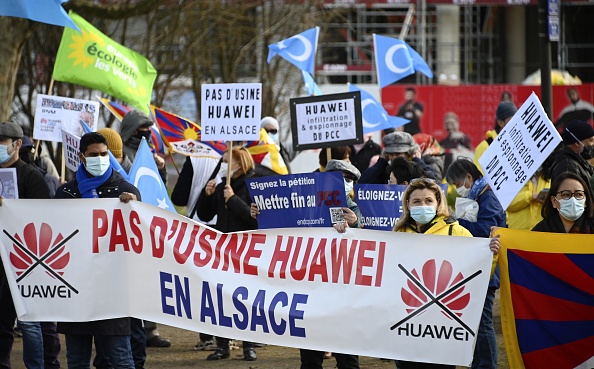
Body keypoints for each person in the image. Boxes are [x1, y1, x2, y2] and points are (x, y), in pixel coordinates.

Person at [392, 177, 500, 369]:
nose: (422, 205)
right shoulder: (398, 233)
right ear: (407, 204)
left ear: (438, 203)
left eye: (428, 201)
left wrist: (490, 254)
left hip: (441, 325)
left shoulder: (456, 233)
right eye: (416, 201)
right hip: (407, 322)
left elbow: (478, 273)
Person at [54, 132, 139, 369]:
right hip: (77, 288)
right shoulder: (66, 193)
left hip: (113, 290)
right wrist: (8, 207)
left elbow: (142, 233)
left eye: (104, 154)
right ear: (81, 156)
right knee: (77, 360)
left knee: (120, 358)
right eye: (94, 155)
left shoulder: (125, 190)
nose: (100, 159)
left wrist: (134, 204)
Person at [196, 147, 258, 362]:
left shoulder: (253, 186)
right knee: (220, 298)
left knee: (246, 299)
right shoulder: (222, 185)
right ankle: (222, 345)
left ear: (240, 165)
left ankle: (248, 345)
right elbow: (204, 214)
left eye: (226, 161)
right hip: (222, 249)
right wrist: (207, 195)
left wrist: (232, 200)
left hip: (245, 249)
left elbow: (254, 220)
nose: (222, 166)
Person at [0, 122, 52, 369]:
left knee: (30, 322)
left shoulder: (32, 176)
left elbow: (43, 218)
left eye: (2, 142)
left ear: (17, 144)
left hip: (24, 261)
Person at [445, 158, 505, 369]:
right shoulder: (478, 195)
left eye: (457, 183)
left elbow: (488, 231)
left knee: (484, 323)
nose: (456, 188)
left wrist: (457, 223)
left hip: (487, 270)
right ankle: (479, 363)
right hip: (475, 268)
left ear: (469, 178)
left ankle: (487, 365)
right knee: (476, 322)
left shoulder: (488, 197)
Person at [119, 111, 171, 348]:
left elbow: (156, 187)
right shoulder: (121, 156)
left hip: (148, 225)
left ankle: (150, 330)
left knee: (150, 278)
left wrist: (160, 168)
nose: (146, 134)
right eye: (142, 129)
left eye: (148, 129)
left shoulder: (147, 154)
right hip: (126, 227)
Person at [359, 132, 440, 184]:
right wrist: (382, 162)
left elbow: (435, 181)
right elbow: (363, 182)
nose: (394, 157)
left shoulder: (416, 169)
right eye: (391, 154)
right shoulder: (384, 170)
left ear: (409, 154)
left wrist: (418, 161)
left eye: (398, 154)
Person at [543, 120, 594, 196]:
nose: (593, 144)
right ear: (577, 143)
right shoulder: (568, 166)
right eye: (591, 140)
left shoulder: (577, 162)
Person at [474, 101, 517, 173]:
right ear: (500, 123)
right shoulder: (484, 147)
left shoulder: (518, 144)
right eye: (512, 120)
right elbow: (478, 180)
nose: (516, 123)